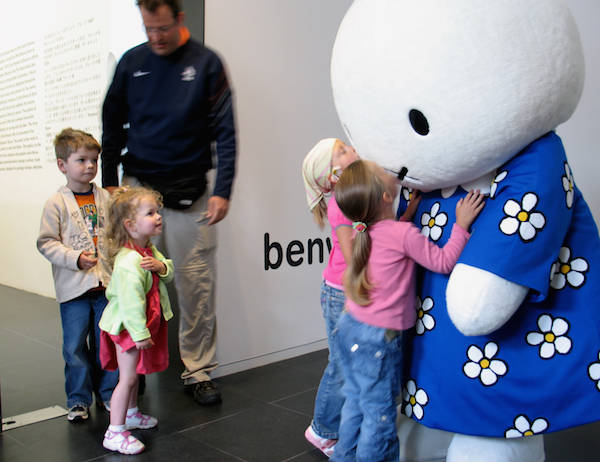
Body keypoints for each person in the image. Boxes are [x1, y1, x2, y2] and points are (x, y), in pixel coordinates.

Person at [101, 0, 236, 405]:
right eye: (148, 29)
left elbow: (226, 132)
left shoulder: (207, 63)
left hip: (191, 192)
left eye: (161, 28)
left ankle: (197, 371)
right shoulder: (131, 63)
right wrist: (110, 183)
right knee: (129, 283)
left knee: (196, 287)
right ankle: (129, 372)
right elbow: (111, 122)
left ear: (179, 18)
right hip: (138, 188)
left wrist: (222, 189)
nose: (155, 37)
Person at [331, 160, 485, 462]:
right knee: (380, 414)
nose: (391, 173)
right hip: (379, 338)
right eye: (383, 174)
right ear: (387, 197)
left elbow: (391, 235)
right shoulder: (403, 235)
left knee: (355, 401)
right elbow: (443, 262)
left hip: (350, 326)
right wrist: (461, 225)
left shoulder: (367, 233)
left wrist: (408, 214)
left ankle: (342, 457)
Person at [37, 128, 119, 422]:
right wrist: (74, 259)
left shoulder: (105, 199)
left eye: (94, 160)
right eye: (81, 160)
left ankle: (110, 394)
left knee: (106, 343)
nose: (89, 166)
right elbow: (46, 242)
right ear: (63, 165)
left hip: (104, 287)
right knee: (74, 347)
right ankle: (78, 399)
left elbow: (115, 235)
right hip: (73, 290)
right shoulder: (56, 203)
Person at [98, 186, 174, 455]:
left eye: (158, 212)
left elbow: (169, 271)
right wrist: (139, 333)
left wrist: (161, 266)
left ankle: (130, 414)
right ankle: (115, 432)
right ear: (130, 225)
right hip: (127, 328)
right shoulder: (130, 261)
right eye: (151, 213)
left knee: (133, 377)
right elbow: (130, 304)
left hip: (135, 326)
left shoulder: (147, 250)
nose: (158, 217)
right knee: (128, 378)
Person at [301, 138, 358, 456]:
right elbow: (354, 255)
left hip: (340, 290)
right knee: (339, 363)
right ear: (334, 173)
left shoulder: (348, 198)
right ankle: (321, 430)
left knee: (343, 361)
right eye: (343, 150)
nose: (352, 149)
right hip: (340, 293)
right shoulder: (341, 204)